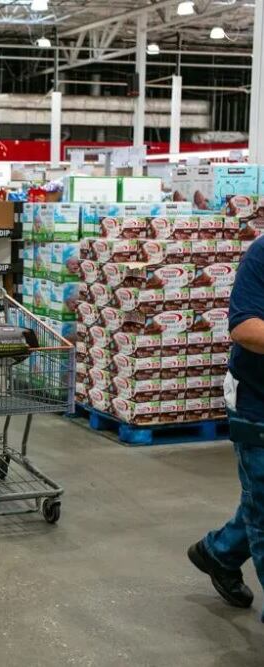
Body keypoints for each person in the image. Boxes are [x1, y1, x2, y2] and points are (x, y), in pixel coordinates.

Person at [188, 235, 264, 618]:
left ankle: (219, 552)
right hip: (257, 401)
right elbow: (245, 328)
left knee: (261, 502)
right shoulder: (262, 254)